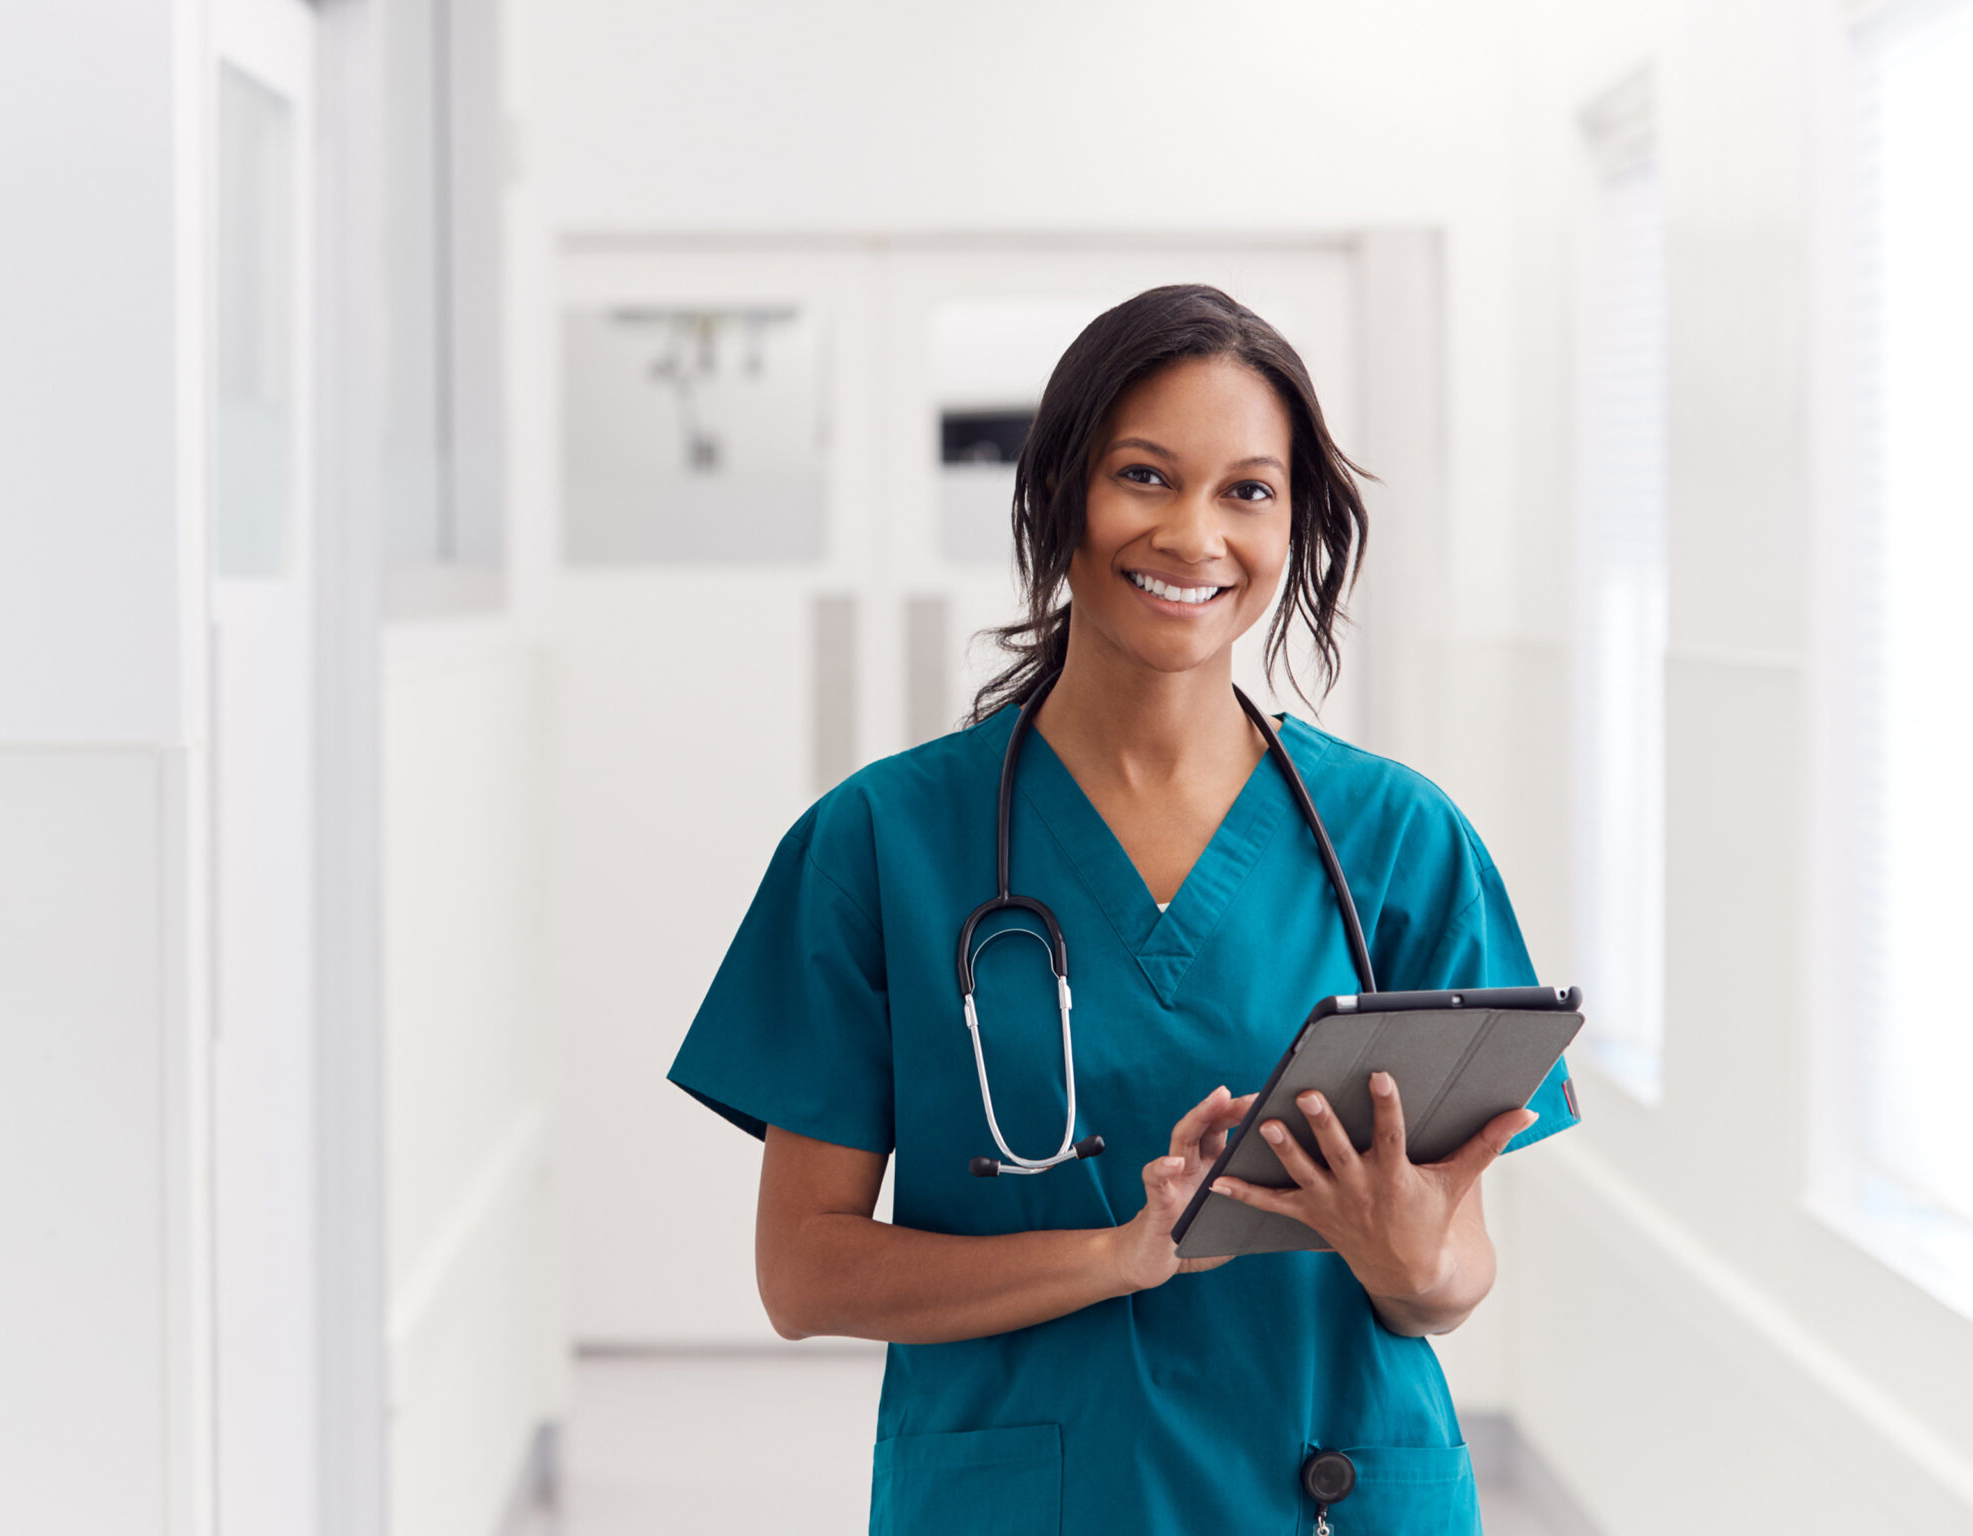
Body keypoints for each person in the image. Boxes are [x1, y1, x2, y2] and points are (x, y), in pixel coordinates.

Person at [666, 283, 1579, 1534]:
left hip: (1328, 1492)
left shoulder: (1398, 842)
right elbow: (803, 1272)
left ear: (1295, 523)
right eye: (1145, 475)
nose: (1195, 535)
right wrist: (1117, 1253)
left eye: (1248, 490)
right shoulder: (878, 845)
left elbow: (1452, 1280)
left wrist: (1408, 1254)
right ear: (1058, 494)